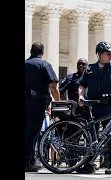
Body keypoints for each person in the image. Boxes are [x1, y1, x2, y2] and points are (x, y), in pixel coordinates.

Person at [77, 41, 111, 174]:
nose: (110, 56)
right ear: (99, 54)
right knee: (90, 136)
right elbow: (82, 85)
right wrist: (81, 97)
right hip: (92, 107)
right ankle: (88, 164)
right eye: (108, 53)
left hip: (109, 108)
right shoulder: (89, 69)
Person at [25, 42, 60, 172]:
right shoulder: (44, 64)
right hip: (36, 103)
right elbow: (53, 86)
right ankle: (28, 162)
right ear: (42, 53)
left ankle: (30, 160)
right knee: (32, 132)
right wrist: (58, 102)